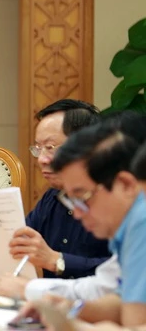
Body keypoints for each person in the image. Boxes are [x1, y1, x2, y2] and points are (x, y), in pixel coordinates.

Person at [0, 100, 110, 294]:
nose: (41, 159)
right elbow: (19, 249)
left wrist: (56, 260)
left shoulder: (115, 201)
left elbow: (125, 273)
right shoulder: (52, 198)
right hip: (48, 305)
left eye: (50, 147)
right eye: (38, 149)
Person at [18, 122, 146, 327]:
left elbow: (134, 322)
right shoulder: (127, 226)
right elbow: (119, 297)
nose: (76, 213)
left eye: (82, 197)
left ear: (126, 184)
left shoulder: (141, 220)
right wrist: (69, 308)